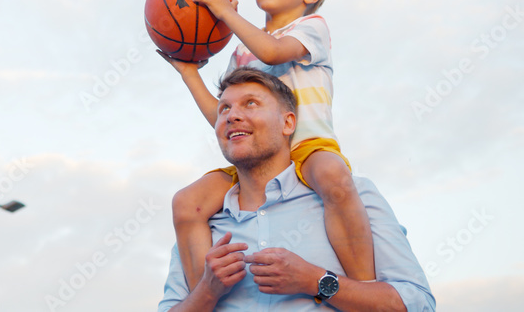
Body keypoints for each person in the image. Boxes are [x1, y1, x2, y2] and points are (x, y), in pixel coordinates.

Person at [159, 0, 374, 289]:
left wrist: (225, 13)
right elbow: (223, 115)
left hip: (307, 147)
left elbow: (272, 52)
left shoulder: (311, 27)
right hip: (258, 161)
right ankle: (206, 295)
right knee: (187, 203)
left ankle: (365, 285)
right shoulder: (242, 52)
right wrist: (189, 73)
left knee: (334, 176)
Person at [157, 67, 435, 311]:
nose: (232, 116)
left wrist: (316, 280)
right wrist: (207, 291)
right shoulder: (202, 224)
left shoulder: (350, 196)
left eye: (250, 103)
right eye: (224, 109)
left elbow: (417, 304)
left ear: (288, 123)